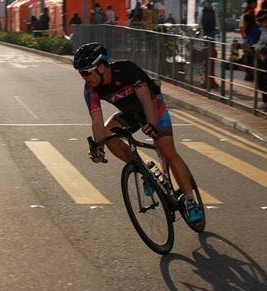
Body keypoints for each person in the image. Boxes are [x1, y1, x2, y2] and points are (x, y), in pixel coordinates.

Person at [73, 43, 203, 223]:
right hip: (131, 113)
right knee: (108, 135)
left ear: (101, 67)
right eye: (80, 73)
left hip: (152, 107)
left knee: (166, 150)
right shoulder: (90, 89)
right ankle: (144, 172)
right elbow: (97, 122)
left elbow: (145, 99)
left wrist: (151, 125)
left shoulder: (126, 69)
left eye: (86, 72)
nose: (84, 77)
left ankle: (190, 201)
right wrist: (99, 147)